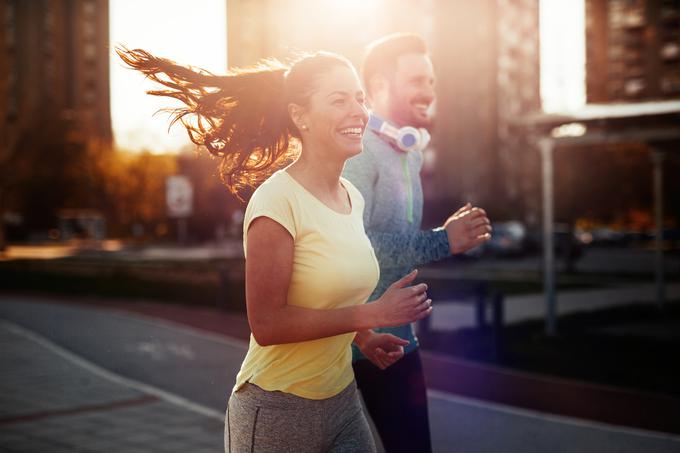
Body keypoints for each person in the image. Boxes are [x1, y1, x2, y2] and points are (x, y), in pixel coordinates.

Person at [117, 47, 434, 452]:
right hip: (276, 411)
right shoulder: (276, 201)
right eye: (339, 100)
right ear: (300, 116)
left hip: (342, 401)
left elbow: (327, 288)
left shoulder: (352, 197)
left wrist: (364, 336)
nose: (359, 111)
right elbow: (267, 324)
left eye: (359, 98)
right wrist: (371, 312)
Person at [343, 33, 493, 453]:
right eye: (416, 81)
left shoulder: (411, 153)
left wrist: (443, 239)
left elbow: (399, 238)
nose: (428, 91)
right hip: (348, 341)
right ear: (379, 86)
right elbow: (357, 245)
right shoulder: (358, 151)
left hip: (399, 338)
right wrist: (442, 242)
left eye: (430, 81)